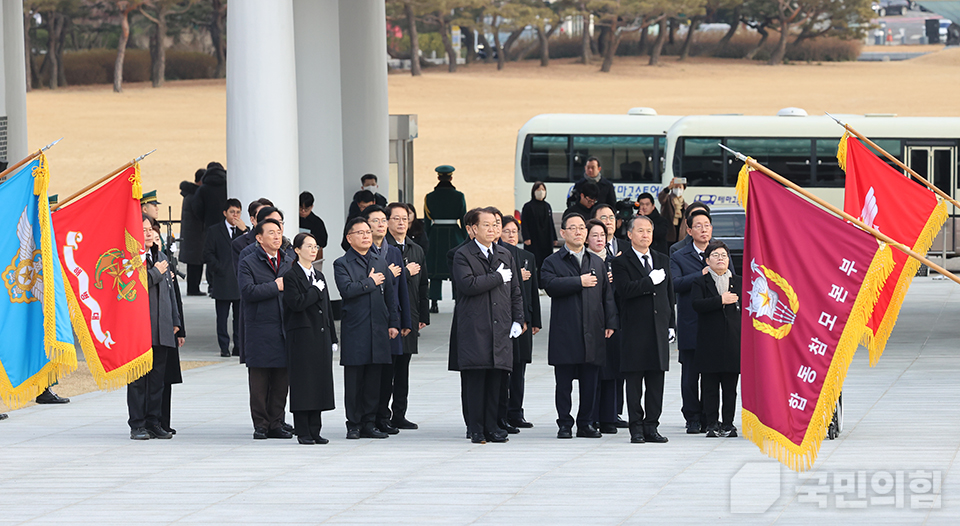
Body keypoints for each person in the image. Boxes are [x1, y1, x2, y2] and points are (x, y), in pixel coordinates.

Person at [541, 213, 617, 439]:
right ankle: (564, 423)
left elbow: (607, 296)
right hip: (565, 331)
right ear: (563, 233)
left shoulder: (596, 262)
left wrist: (610, 322)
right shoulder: (552, 262)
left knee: (590, 382)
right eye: (572, 228)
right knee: (564, 384)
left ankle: (585, 423)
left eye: (582, 228)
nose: (578, 232)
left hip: (593, 330)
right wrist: (579, 282)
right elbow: (550, 285)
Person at [452, 209, 523, 444]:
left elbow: (515, 290)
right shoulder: (463, 255)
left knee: (497, 379)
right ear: (472, 229)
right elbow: (468, 284)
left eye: (495, 225)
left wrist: (518, 319)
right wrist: (496, 277)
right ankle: (476, 428)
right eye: (486, 225)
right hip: (475, 326)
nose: (492, 229)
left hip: (500, 325)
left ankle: (493, 427)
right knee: (476, 379)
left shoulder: (504, 253)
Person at [611, 215, 675, 444]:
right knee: (635, 384)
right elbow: (625, 290)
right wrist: (649, 281)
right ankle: (636, 427)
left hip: (658, 329)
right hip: (635, 331)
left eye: (648, 230)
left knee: (656, 382)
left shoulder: (661, 259)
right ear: (629, 234)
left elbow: (669, 295)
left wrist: (670, 324)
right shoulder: (621, 262)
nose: (645, 235)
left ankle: (652, 426)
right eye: (640, 231)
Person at [335, 218, 400, 440]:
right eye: (360, 233)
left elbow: (391, 295)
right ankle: (353, 424)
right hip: (356, 328)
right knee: (354, 380)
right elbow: (346, 290)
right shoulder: (342, 263)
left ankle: (369, 422)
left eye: (368, 232)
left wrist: (393, 322)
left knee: (375, 378)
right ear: (349, 238)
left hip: (379, 327)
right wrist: (370, 282)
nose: (366, 236)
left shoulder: (379, 261)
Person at [238, 218, 293, 440]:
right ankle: (261, 424)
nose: (277, 236)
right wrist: (275, 286)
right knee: (260, 382)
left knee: (281, 381)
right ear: (259, 238)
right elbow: (248, 292)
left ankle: (276, 423)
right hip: (259, 329)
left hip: (284, 328)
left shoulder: (289, 261)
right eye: (271, 233)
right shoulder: (248, 262)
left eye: (279, 232)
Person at [127, 215, 180, 440]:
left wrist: (176, 321)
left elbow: (171, 293)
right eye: (143, 230)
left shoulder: (160, 256)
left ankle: (154, 421)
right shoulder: (129, 259)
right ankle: (137, 424)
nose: (148, 233)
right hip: (139, 329)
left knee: (158, 379)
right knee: (138, 380)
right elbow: (135, 286)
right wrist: (156, 272)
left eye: (150, 229)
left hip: (162, 327)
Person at [282, 233, 338, 445]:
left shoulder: (320, 276)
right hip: (302, 337)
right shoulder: (291, 276)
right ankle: (303, 430)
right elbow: (296, 304)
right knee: (304, 384)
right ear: (297, 250)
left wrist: (333, 336)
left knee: (319, 383)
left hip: (320, 336)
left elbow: (327, 311)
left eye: (315, 246)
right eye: (309, 246)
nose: (313, 250)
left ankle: (315, 429)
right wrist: (314, 290)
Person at [363, 205, 412, 435]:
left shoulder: (393, 251)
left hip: (392, 318)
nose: (381, 225)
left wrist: (405, 321)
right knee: (375, 372)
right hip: (371, 318)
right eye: (376, 221)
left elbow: (402, 289)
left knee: (390, 372)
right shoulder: (362, 251)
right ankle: (371, 417)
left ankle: (385, 417)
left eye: (383, 220)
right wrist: (387, 275)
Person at [385, 202, 429, 430]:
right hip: (390, 316)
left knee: (403, 369)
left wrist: (422, 315)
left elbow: (423, 285)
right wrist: (403, 270)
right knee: (387, 369)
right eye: (396, 219)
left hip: (409, 315)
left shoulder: (416, 249)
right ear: (387, 221)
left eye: (405, 219)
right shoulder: (383, 248)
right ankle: (382, 414)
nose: (402, 223)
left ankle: (399, 413)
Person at [670, 208, 714, 434]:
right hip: (690, 323)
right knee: (690, 376)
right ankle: (692, 417)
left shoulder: (720, 252)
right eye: (698, 225)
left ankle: (709, 415)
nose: (703, 229)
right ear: (689, 230)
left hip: (715, 325)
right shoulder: (679, 256)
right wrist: (702, 273)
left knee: (711, 375)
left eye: (707, 225)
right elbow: (675, 284)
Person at [691, 240, 741, 438]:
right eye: (716, 255)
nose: (720, 259)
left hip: (733, 342)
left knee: (730, 388)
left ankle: (728, 423)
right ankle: (711, 423)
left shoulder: (738, 281)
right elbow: (696, 304)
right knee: (709, 387)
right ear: (707, 260)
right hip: (709, 343)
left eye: (724, 255)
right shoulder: (700, 281)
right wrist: (720, 300)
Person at [499, 216, 541, 430]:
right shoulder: (497, 256)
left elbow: (533, 291)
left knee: (520, 368)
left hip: (524, 319)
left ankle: (517, 411)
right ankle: (502, 412)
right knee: (503, 369)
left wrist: (535, 320)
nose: (511, 235)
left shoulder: (527, 257)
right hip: (503, 320)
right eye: (506, 231)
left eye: (514, 231)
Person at [585, 218, 625, 433]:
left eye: (603, 235)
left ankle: (610, 417)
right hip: (590, 323)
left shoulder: (614, 261)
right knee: (593, 373)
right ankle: (591, 417)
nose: (600, 239)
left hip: (612, 322)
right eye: (595, 235)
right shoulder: (584, 261)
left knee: (611, 371)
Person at [204, 198, 247, 357]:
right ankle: (224, 347)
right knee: (222, 317)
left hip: (239, 281)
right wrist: (219, 268)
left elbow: (251, 249)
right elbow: (207, 254)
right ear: (225, 213)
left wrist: (244, 231)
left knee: (239, 317)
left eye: (238, 212)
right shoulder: (214, 230)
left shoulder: (244, 231)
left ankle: (238, 346)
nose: (235, 215)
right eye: (232, 212)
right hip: (222, 280)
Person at [424, 165, 467, 313]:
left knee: (435, 271)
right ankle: (458, 302)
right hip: (454, 234)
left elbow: (427, 221)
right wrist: (464, 237)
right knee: (456, 269)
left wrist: (427, 236)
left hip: (436, 234)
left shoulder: (429, 197)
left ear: (438, 177)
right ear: (451, 177)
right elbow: (463, 217)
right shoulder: (459, 196)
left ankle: (434, 303)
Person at [179, 169, 206, 296]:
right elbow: (199, 214)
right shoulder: (196, 196)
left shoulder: (189, 194)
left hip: (191, 235)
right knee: (196, 263)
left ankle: (193, 287)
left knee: (194, 263)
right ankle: (193, 288)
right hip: (196, 234)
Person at [520, 181, 557, 273]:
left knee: (546, 261)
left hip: (546, 239)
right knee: (533, 261)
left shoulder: (547, 206)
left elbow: (550, 223)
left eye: (543, 189)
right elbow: (524, 223)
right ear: (533, 191)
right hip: (533, 239)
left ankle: (543, 281)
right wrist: (526, 237)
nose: (541, 192)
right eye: (538, 189)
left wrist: (554, 238)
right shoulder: (528, 206)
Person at [232, 198, 273, 270]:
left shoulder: (283, 242)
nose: (268, 220)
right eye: (262, 216)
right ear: (253, 220)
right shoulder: (240, 244)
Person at [192, 161, 229, 231]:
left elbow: (197, 208)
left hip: (210, 225)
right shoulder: (229, 187)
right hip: (227, 224)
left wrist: (206, 218)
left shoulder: (203, 189)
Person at [298, 191, 328, 261]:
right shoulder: (293, 219)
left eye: (306, 209)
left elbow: (323, 242)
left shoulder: (317, 222)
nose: (303, 211)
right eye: (300, 208)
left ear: (311, 207)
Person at [658, 177, 688, 245]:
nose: (678, 189)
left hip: (680, 237)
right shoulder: (667, 200)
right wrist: (669, 187)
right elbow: (661, 198)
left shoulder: (685, 205)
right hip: (668, 235)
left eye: (680, 187)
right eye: (676, 187)